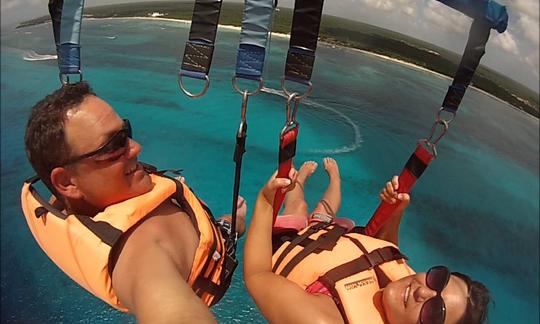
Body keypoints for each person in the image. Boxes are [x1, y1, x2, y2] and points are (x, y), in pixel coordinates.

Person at [22, 81, 246, 323]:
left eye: (125, 133)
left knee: (233, 220)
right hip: (216, 258)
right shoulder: (143, 253)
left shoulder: (75, 194)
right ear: (68, 182)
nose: (136, 147)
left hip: (208, 234)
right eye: (114, 146)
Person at [244, 158, 490, 324]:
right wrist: (395, 212)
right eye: (438, 279)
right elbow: (386, 252)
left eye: (435, 312)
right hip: (327, 236)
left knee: (298, 206)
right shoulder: (405, 285)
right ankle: (333, 180)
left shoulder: (325, 320)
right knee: (323, 212)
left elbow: (258, 276)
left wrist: (266, 201)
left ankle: (302, 180)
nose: (422, 290)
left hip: (287, 244)